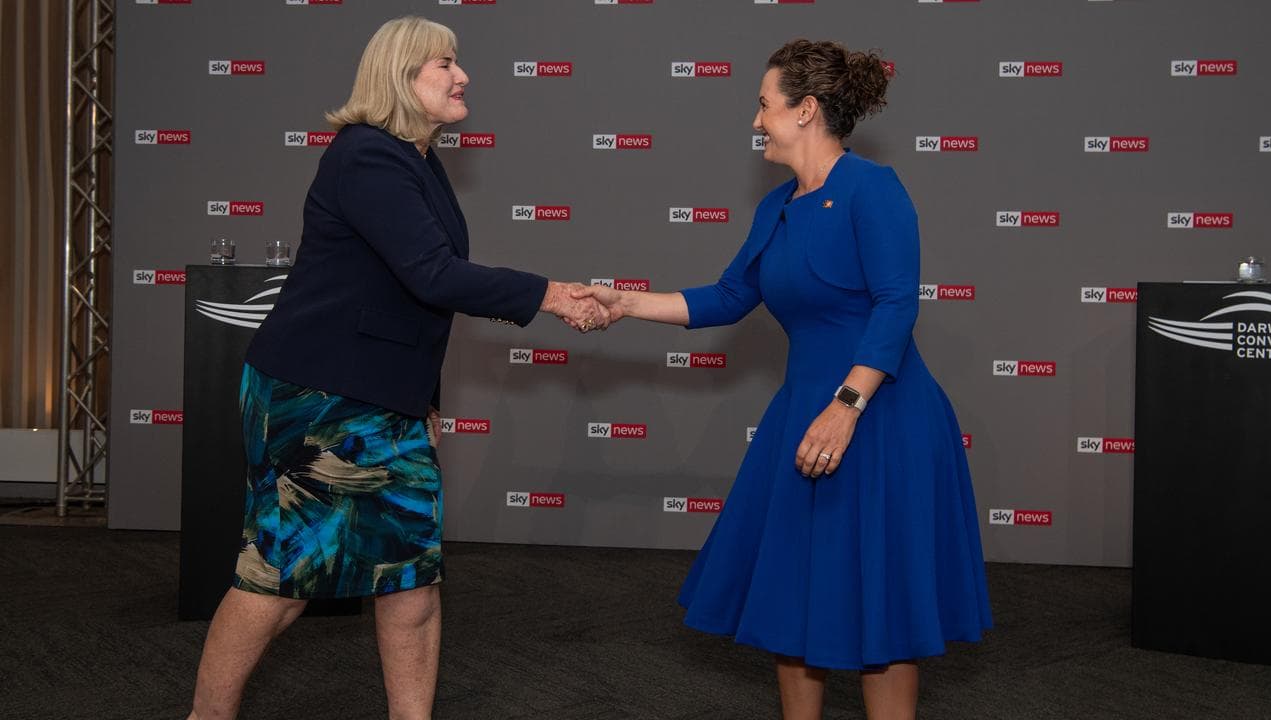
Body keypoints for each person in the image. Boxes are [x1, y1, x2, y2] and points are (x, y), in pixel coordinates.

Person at [187, 16, 606, 720]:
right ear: (399, 76)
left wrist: (423, 399)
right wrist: (551, 294)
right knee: (284, 578)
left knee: (410, 580)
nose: (462, 73)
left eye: (457, 61)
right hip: (317, 396)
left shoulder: (418, 161)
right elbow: (433, 275)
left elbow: (408, 299)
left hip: (384, 400)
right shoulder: (367, 156)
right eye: (443, 63)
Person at [576, 39, 992, 720]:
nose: (755, 119)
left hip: (880, 419)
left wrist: (847, 405)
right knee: (798, 598)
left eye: (764, 104)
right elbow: (727, 297)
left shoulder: (873, 190)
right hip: (805, 415)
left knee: (880, 617)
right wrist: (626, 303)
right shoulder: (776, 208)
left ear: (804, 111)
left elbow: (896, 304)